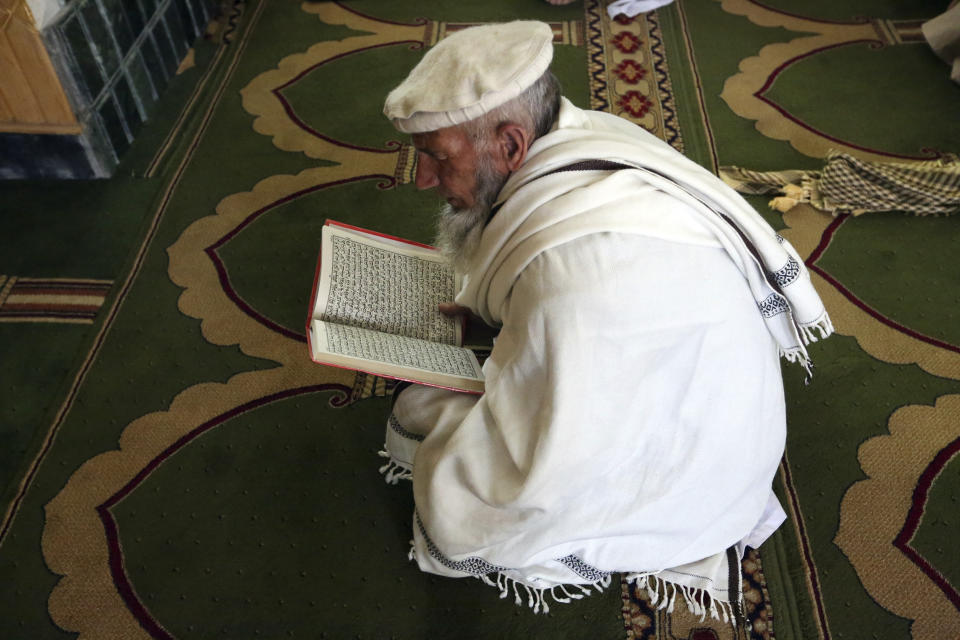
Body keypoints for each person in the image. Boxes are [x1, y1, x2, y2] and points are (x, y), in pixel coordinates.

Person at [378, 21, 831, 620]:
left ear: (512, 146)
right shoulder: (581, 133)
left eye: (437, 158)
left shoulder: (565, 275)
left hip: (694, 466)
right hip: (722, 410)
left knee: (434, 437)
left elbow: (548, 463)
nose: (423, 179)